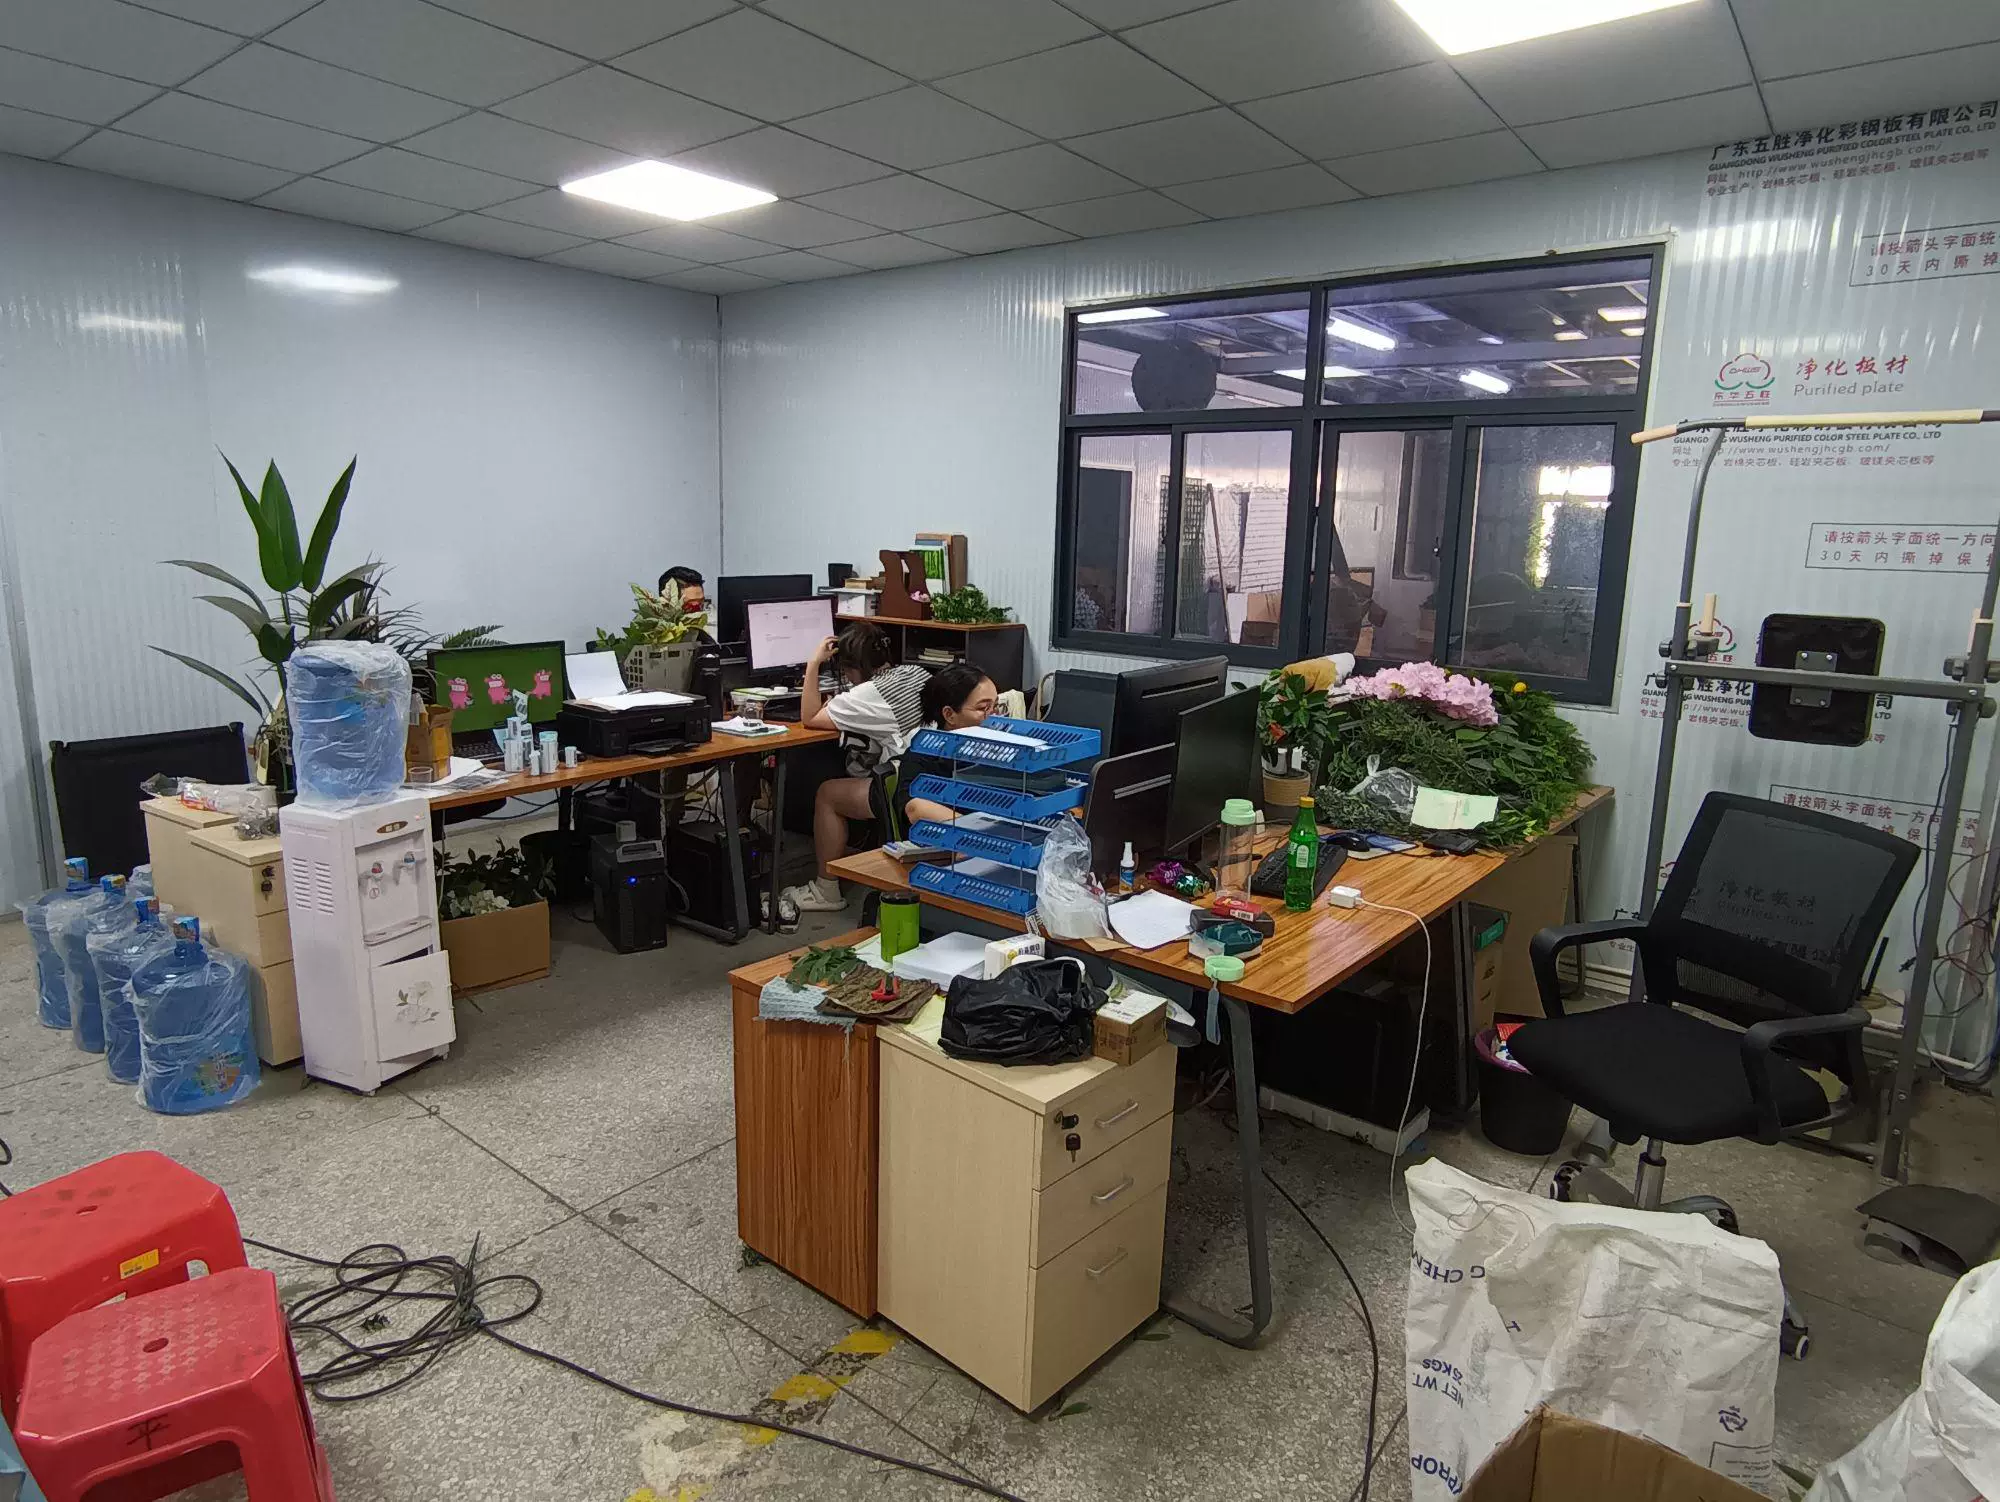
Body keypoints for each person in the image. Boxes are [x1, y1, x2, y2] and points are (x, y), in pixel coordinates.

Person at [779, 622, 930, 916]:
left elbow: (809, 716)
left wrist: (813, 664)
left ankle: (826, 890)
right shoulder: (916, 672)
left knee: (827, 794)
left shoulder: (868, 694)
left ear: (852, 666)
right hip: (927, 776)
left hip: (901, 784)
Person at [899, 662, 998, 828]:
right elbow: (915, 808)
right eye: (983, 708)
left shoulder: (997, 753)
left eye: (996, 706)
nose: (994, 716)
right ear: (949, 715)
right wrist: (982, 832)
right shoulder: (921, 757)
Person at [657, 566, 714, 645]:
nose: (698, 613)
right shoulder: (649, 640)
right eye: (690, 605)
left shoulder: (706, 641)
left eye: (701, 603)